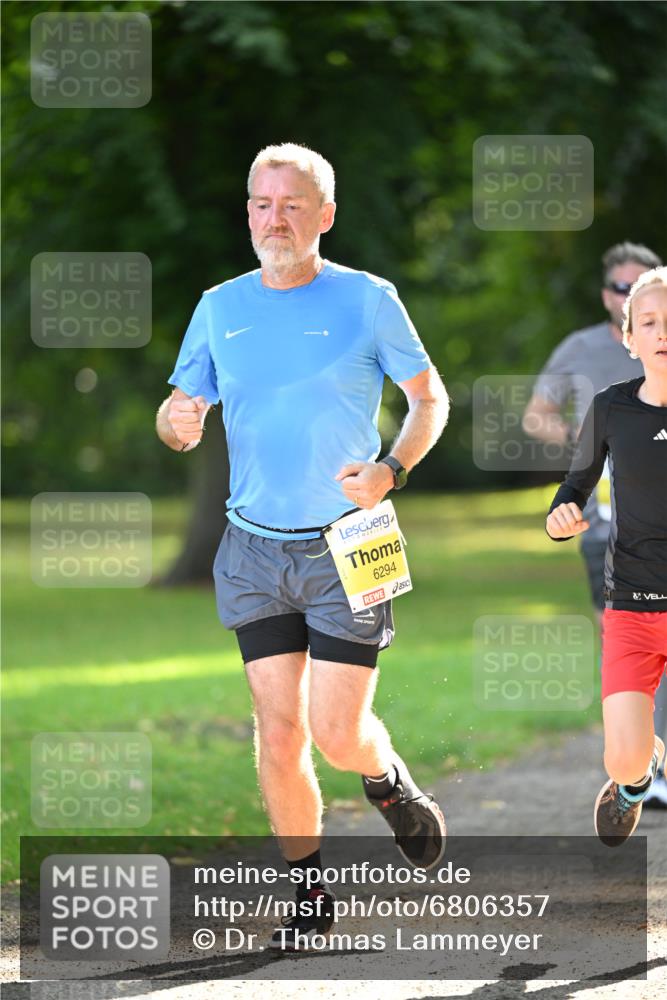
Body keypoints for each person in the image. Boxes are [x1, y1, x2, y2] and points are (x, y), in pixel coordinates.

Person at [156, 143, 449, 947]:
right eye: (260, 203)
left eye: (291, 205)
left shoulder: (368, 299)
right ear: (247, 211)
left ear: (324, 215)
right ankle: (308, 892)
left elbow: (429, 398)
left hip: (352, 541)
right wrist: (175, 423)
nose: (273, 219)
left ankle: (383, 779)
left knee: (334, 731)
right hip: (251, 547)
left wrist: (391, 468)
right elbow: (180, 408)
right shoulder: (219, 305)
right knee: (277, 729)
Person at [524, 241, 667, 808]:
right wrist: (561, 518)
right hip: (631, 600)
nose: (662, 333)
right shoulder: (609, 408)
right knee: (622, 758)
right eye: (649, 323)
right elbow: (572, 491)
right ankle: (635, 781)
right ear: (628, 338)